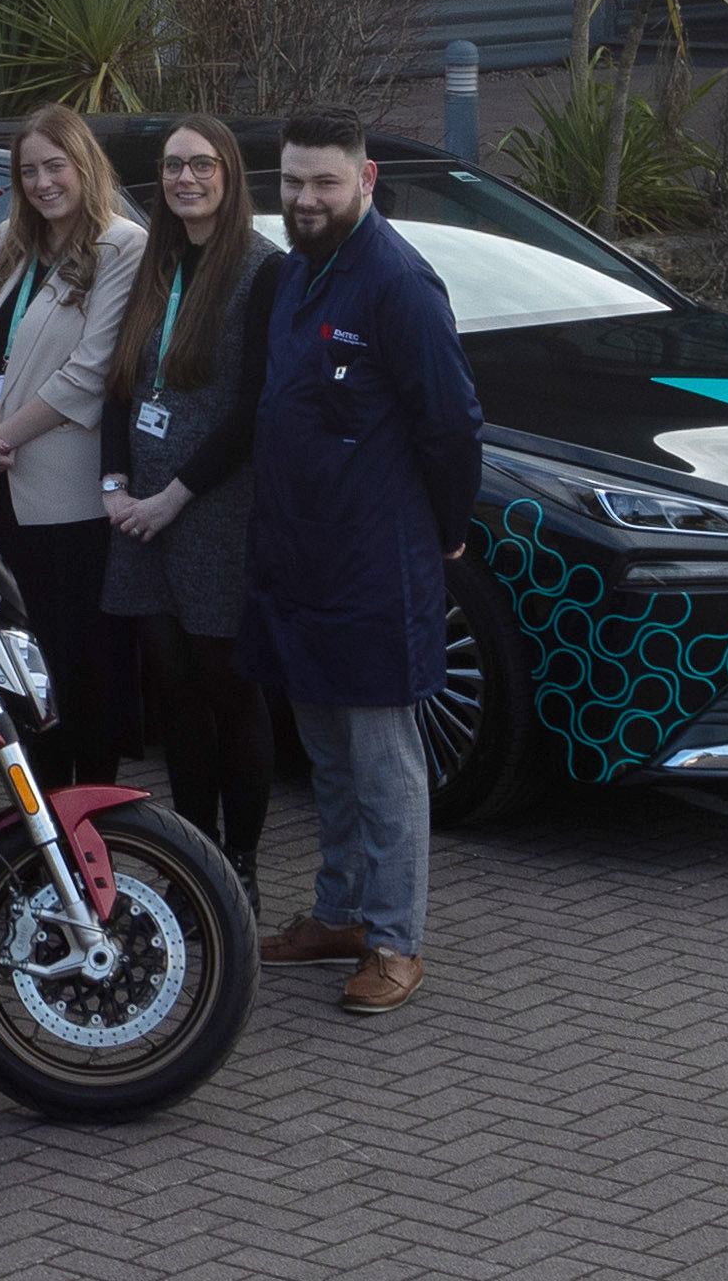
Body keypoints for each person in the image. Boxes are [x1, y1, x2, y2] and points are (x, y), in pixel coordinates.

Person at [241, 108, 483, 1017]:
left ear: (366, 180)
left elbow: (453, 422)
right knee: (328, 753)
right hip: (299, 558)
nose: (305, 198)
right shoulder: (296, 270)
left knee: (385, 761)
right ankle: (338, 914)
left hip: (375, 562)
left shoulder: (398, 284)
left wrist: (446, 528)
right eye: (293, 182)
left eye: (325, 183)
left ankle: (395, 940)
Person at [100, 116, 290, 916]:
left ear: (229, 173)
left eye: (201, 165)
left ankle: (238, 865)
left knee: (227, 689)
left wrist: (176, 496)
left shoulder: (262, 269)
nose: (185, 179)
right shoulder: (157, 257)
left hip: (211, 508)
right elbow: (118, 382)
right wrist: (114, 483)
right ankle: (192, 856)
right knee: (171, 688)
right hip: (138, 512)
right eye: (174, 167)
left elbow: (255, 408)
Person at [0, 105, 146, 787]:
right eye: (29, 170)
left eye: (55, 166)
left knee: (77, 665)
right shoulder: (12, 238)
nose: (42, 182)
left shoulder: (122, 246)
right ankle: (35, 818)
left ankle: (87, 814)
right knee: (17, 666)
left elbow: (89, 373)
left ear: (84, 167)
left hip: (64, 495)